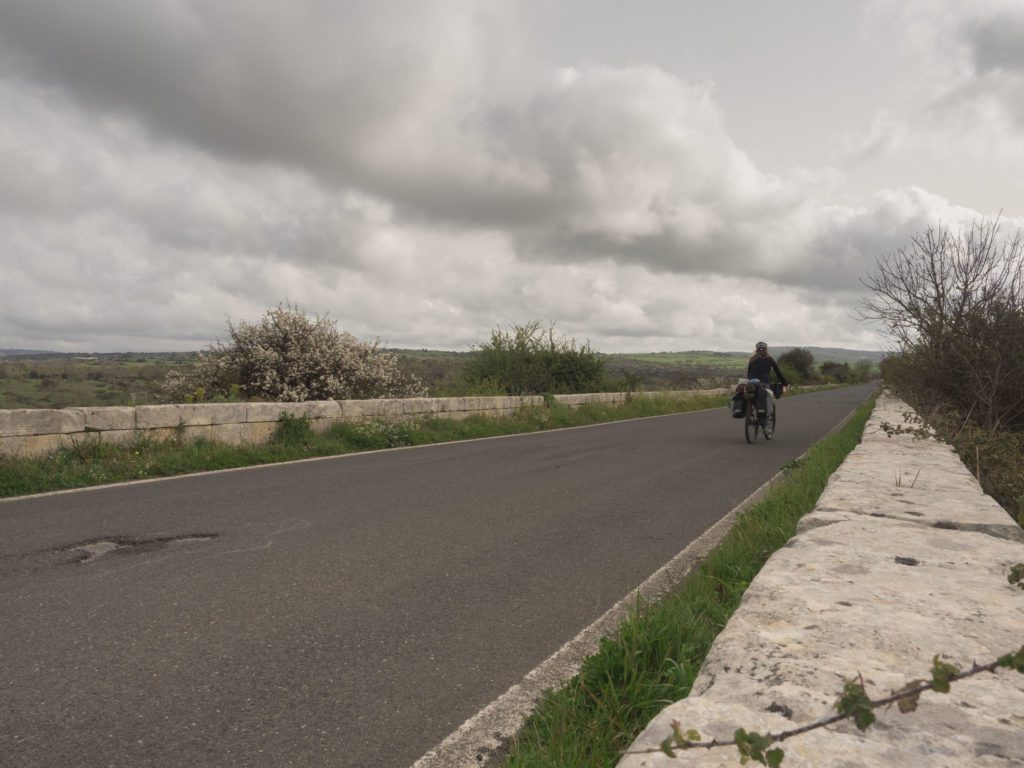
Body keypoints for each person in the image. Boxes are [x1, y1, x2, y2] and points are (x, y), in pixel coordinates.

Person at [746, 341, 787, 436]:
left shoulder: (752, 359)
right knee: (767, 401)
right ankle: (765, 426)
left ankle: (750, 413)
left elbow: (748, 373)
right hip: (764, 383)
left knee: (752, 397)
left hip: (752, 383)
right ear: (766, 349)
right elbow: (778, 372)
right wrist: (784, 383)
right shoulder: (770, 359)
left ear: (756, 350)